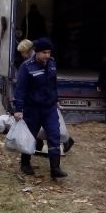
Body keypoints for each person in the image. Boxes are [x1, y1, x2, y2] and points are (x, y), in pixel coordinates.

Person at [13, 37, 68, 178]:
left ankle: (55, 167)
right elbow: (20, 89)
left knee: (54, 134)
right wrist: (18, 109)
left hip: (49, 108)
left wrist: (56, 99)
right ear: (36, 52)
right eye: (44, 52)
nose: (47, 55)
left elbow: (53, 84)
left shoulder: (52, 63)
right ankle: (25, 163)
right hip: (33, 108)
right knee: (30, 136)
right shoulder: (26, 67)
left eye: (49, 52)